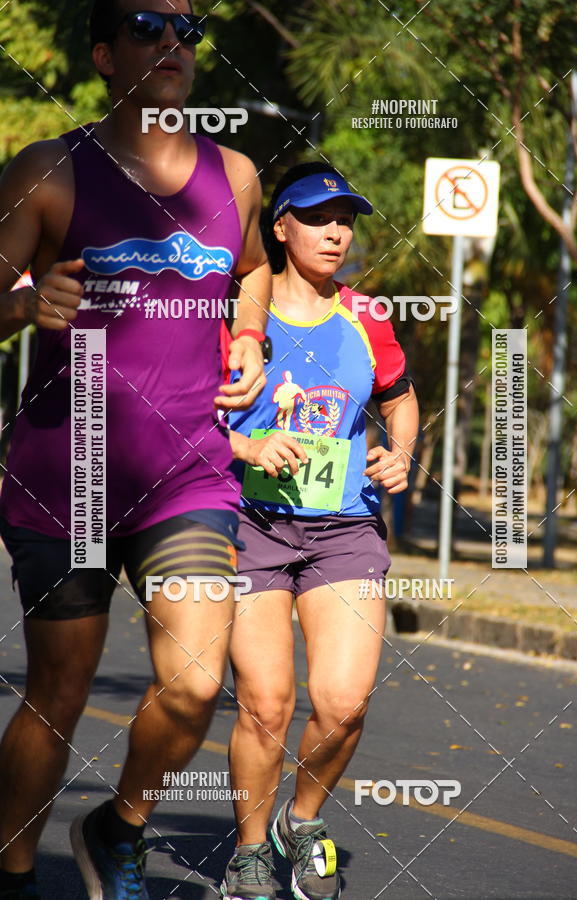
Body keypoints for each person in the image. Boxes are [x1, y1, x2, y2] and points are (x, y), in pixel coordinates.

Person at [0, 1, 271, 897]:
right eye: (148, 26)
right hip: (66, 474)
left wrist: (251, 334)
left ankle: (119, 826)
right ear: (105, 53)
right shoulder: (49, 171)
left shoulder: (233, 175)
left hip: (188, 473)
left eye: (186, 31)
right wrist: (24, 305)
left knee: (195, 684)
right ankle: (9, 868)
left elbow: (256, 267)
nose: (171, 44)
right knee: (62, 689)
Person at [221, 162, 419, 900]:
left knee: (343, 703)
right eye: (317, 216)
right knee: (266, 703)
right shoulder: (238, 313)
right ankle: (247, 853)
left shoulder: (366, 316)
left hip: (344, 528)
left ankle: (298, 821)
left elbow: (401, 397)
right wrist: (246, 447)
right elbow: (183, 415)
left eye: (347, 219)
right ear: (280, 226)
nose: (337, 231)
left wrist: (400, 453)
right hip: (251, 524)